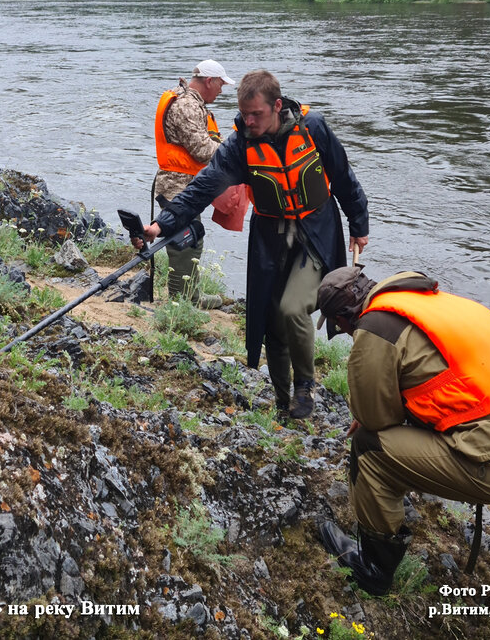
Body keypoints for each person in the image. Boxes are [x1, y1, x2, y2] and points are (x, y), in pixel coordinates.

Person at [314, 267, 490, 640]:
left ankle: (373, 568)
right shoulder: (443, 304)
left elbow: (374, 419)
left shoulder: (377, 325)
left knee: (369, 449)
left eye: (341, 329)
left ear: (342, 318)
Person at [137, 70, 368, 419]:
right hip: (269, 241)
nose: (249, 121)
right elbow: (202, 189)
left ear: (277, 106)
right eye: (244, 114)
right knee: (271, 323)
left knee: (293, 308)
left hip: (316, 234)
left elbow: (343, 177)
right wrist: (160, 224)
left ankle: (305, 386)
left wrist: (359, 224)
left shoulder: (314, 128)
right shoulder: (240, 145)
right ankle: (281, 402)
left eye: (256, 114)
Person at [153, 60, 234, 308]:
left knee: (190, 239)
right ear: (209, 81)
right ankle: (184, 301)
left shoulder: (188, 101)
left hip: (182, 185)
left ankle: (187, 297)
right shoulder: (187, 106)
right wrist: (233, 155)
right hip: (177, 186)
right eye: (220, 84)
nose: (221, 90)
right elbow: (200, 149)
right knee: (185, 243)